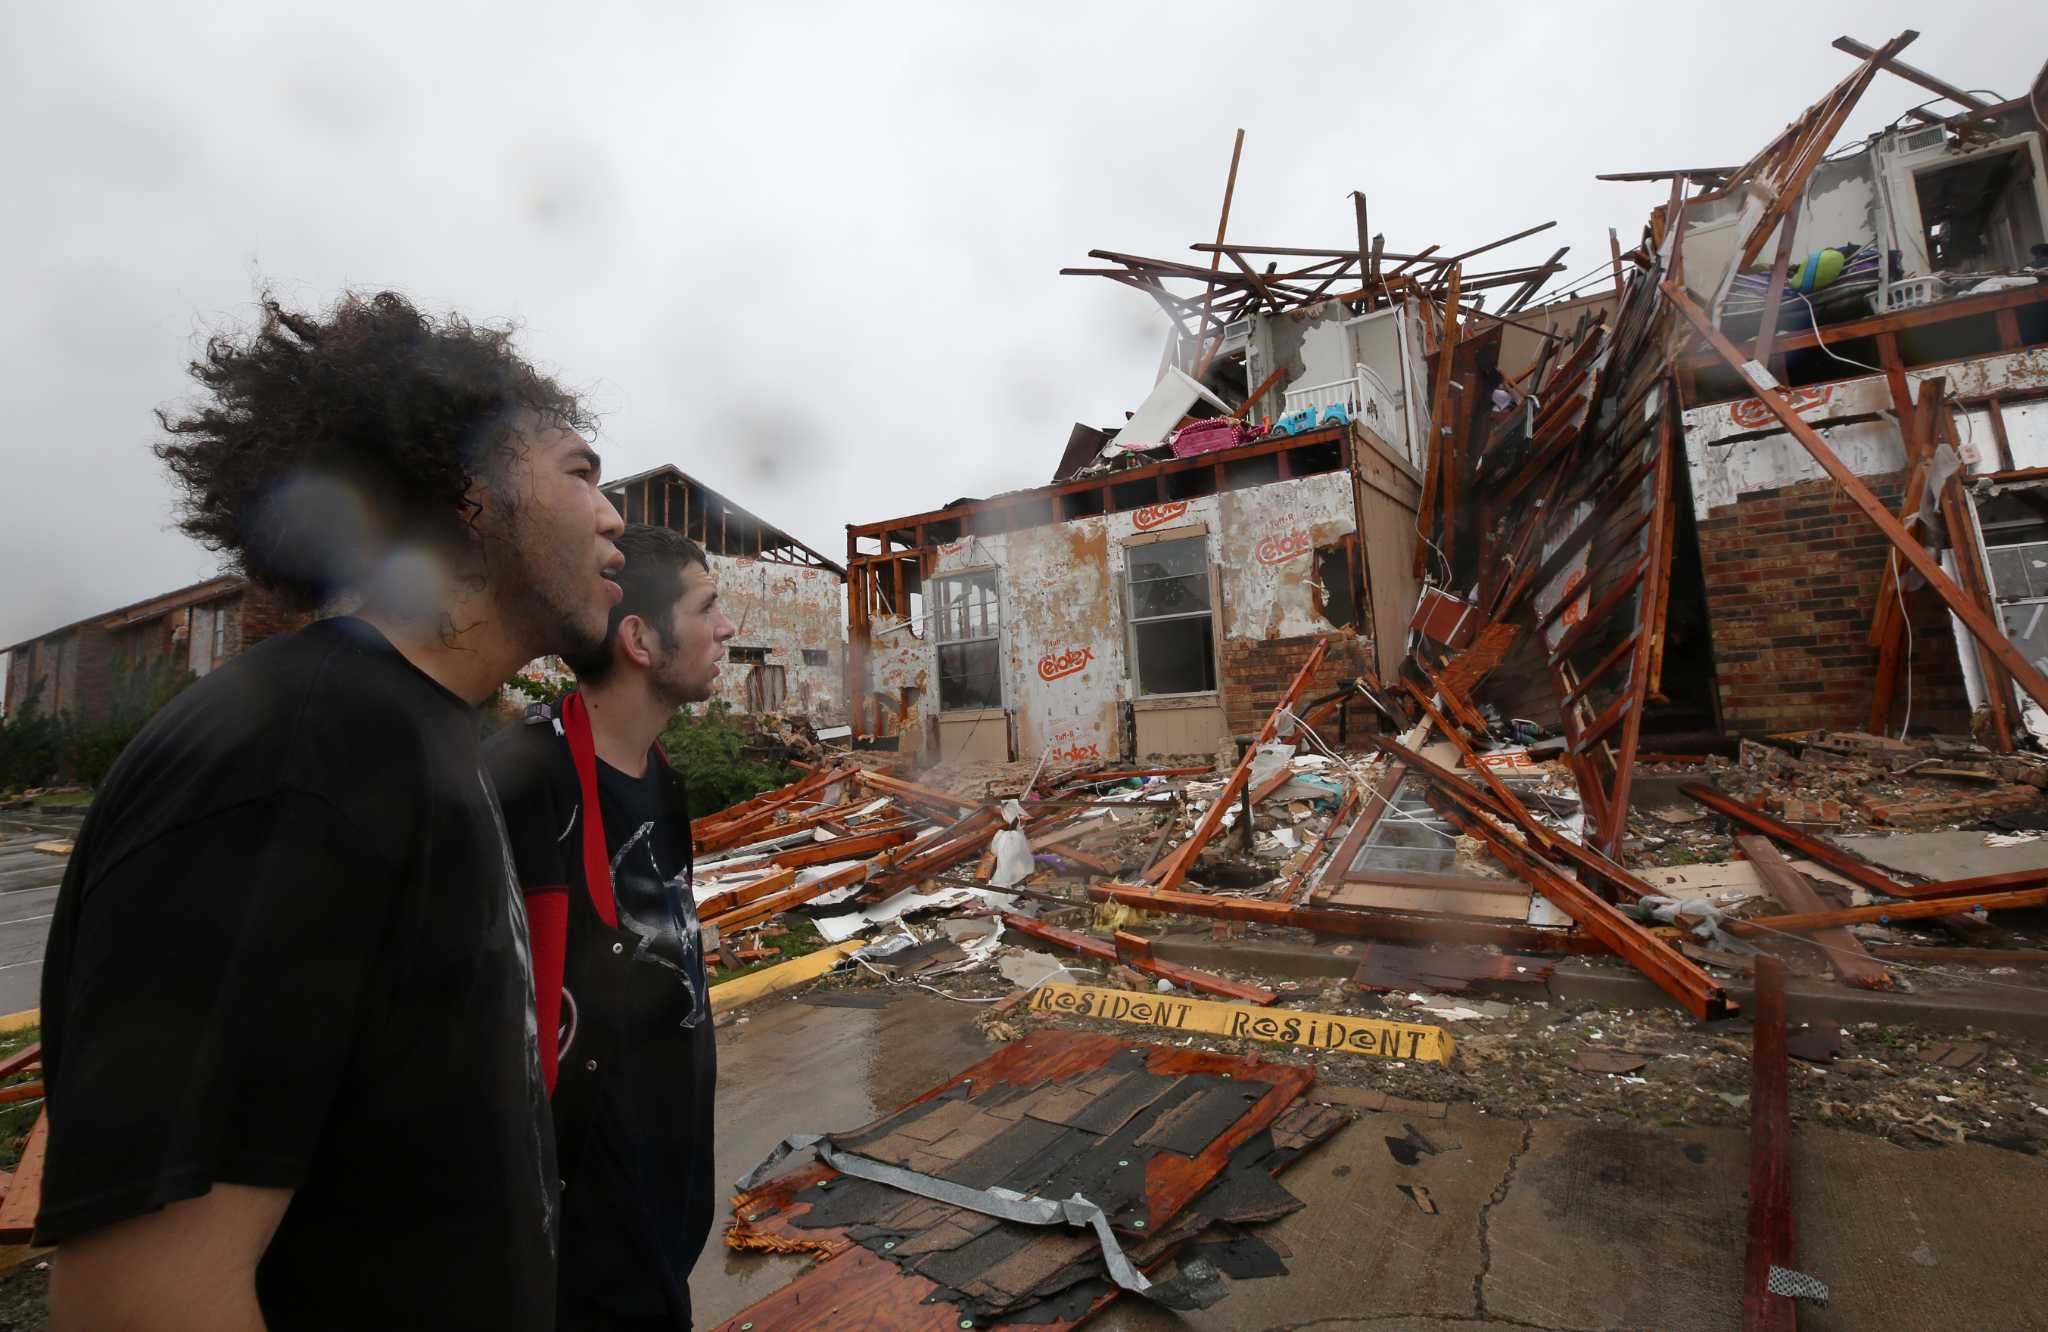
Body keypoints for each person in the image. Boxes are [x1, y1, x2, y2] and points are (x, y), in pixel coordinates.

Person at [36, 291, 626, 1331]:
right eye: (581, 472)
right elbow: (144, 1303)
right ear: (466, 491)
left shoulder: (425, 736)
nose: (616, 516)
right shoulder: (291, 757)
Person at [484, 523, 735, 1330]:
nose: (727, 628)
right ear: (638, 638)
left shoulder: (660, 779)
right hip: (580, 1243)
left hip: (664, 1208)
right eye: (708, 607)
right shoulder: (521, 785)